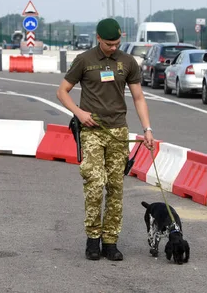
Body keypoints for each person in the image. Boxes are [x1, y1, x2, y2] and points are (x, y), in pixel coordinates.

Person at [57, 18, 155, 261]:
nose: (114, 47)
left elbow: (139, 98)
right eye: (109, 44)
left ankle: (110, 241)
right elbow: (62, 91)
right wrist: (79, 113)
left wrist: (147, 129)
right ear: (98, 38)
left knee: (115, 187)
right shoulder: (84, 60)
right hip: (91, 131)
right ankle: (93, 239)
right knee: (94, 183)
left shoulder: (127, 61)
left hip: (118, 132)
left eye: (117, 43)